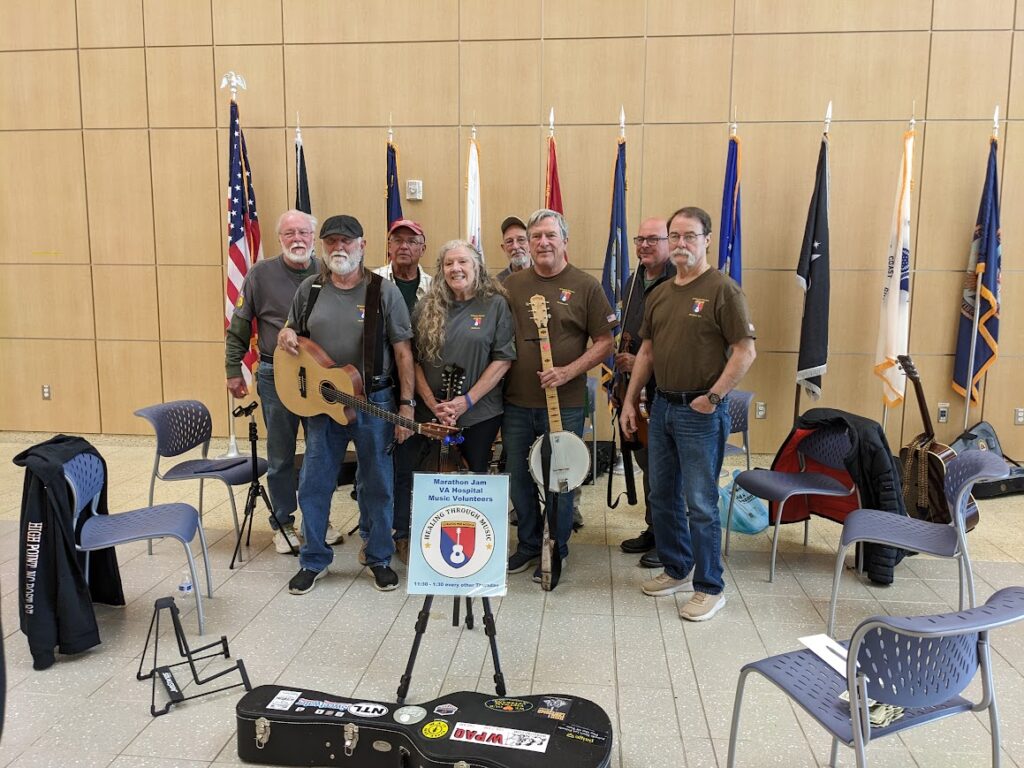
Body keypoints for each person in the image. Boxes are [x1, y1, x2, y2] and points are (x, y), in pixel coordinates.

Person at [620, 206, 756, 622]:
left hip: (700, 412)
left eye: (690, 236)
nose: (681, 244)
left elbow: (745, 351)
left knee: (700, 503)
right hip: (661, 408)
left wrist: (714, 398)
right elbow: (647, 351)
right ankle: (677, 568)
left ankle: (710, 587)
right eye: (675, 236)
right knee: (661, 495)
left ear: (707, 240)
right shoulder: (659, 293)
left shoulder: (723, 290)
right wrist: (630, 399)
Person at [277, 214, 415, 594]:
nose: (339, 248)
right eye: (332, 241)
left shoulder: (383, 292)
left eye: (347, 241)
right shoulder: (310, 289)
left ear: (363, 245)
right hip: (323, 405)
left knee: (378, 483)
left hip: (374, 400)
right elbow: (294, 337)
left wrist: (407, 406)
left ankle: (378, 558)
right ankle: (314, 559)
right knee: (315, 484)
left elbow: (404, 353)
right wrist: (287, 333)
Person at [503, 209, 615, 585]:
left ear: (565, 240)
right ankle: (529, 543)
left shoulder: (585, 286)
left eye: (550, 235)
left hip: (564, 405)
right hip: (516, 403)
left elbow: (605, 341)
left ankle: (558, 547)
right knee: (519, 478)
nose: (542, 243)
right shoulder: (513, 286)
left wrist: (569, 371)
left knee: (560, 482)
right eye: (535, 236)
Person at [225, 209, 343, 553]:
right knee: (281, 453)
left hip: (320, 378)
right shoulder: (260, 275)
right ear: (280, 239)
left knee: (321, 452)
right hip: (275, 375)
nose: (297, 239)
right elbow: (239, 327)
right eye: (289, 233)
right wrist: (234, 369)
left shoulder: (329, 273)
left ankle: (316, 519)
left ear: (313, 238)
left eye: (303, 233)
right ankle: (283, 523)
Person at [411, 240, 516, 476]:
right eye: (449, 263)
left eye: (462, 261)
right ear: (442, 270)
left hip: (480, 416)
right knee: (430, 481)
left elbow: (503, 360)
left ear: (477, 266)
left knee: (473, 480)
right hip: (432, 416)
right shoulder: (426, 306)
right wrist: (432, 403)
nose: (455, 268)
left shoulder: (495, 305)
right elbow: (413, 360)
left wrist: (465, 401)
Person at [615, 218, 675, 568]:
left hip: (664, 391)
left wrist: (640, 361)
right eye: (640, 239)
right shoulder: (633, 280)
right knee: (646, 463)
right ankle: (654, 529)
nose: (645, 245)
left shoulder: (674, 283)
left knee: (664, 471)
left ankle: (669, 539)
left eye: (654, 239)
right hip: (633, 393)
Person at [374, 219, 432, 563]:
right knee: (381, 463)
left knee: (411, 460)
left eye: (412, 241)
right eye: (397, 240)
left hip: (420, 387)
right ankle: (385, 532)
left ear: (422, 248)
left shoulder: (434, 287)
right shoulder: (373, 283)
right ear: (388, 245)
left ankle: (411, 530)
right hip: (380, 385)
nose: (404, 246)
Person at [495, 215, 531, 283]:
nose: (515, 246)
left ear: (530, 243)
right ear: (504, 248)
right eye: (509, 241)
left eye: (521, 240)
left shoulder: (545, 276)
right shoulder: (498, 284)